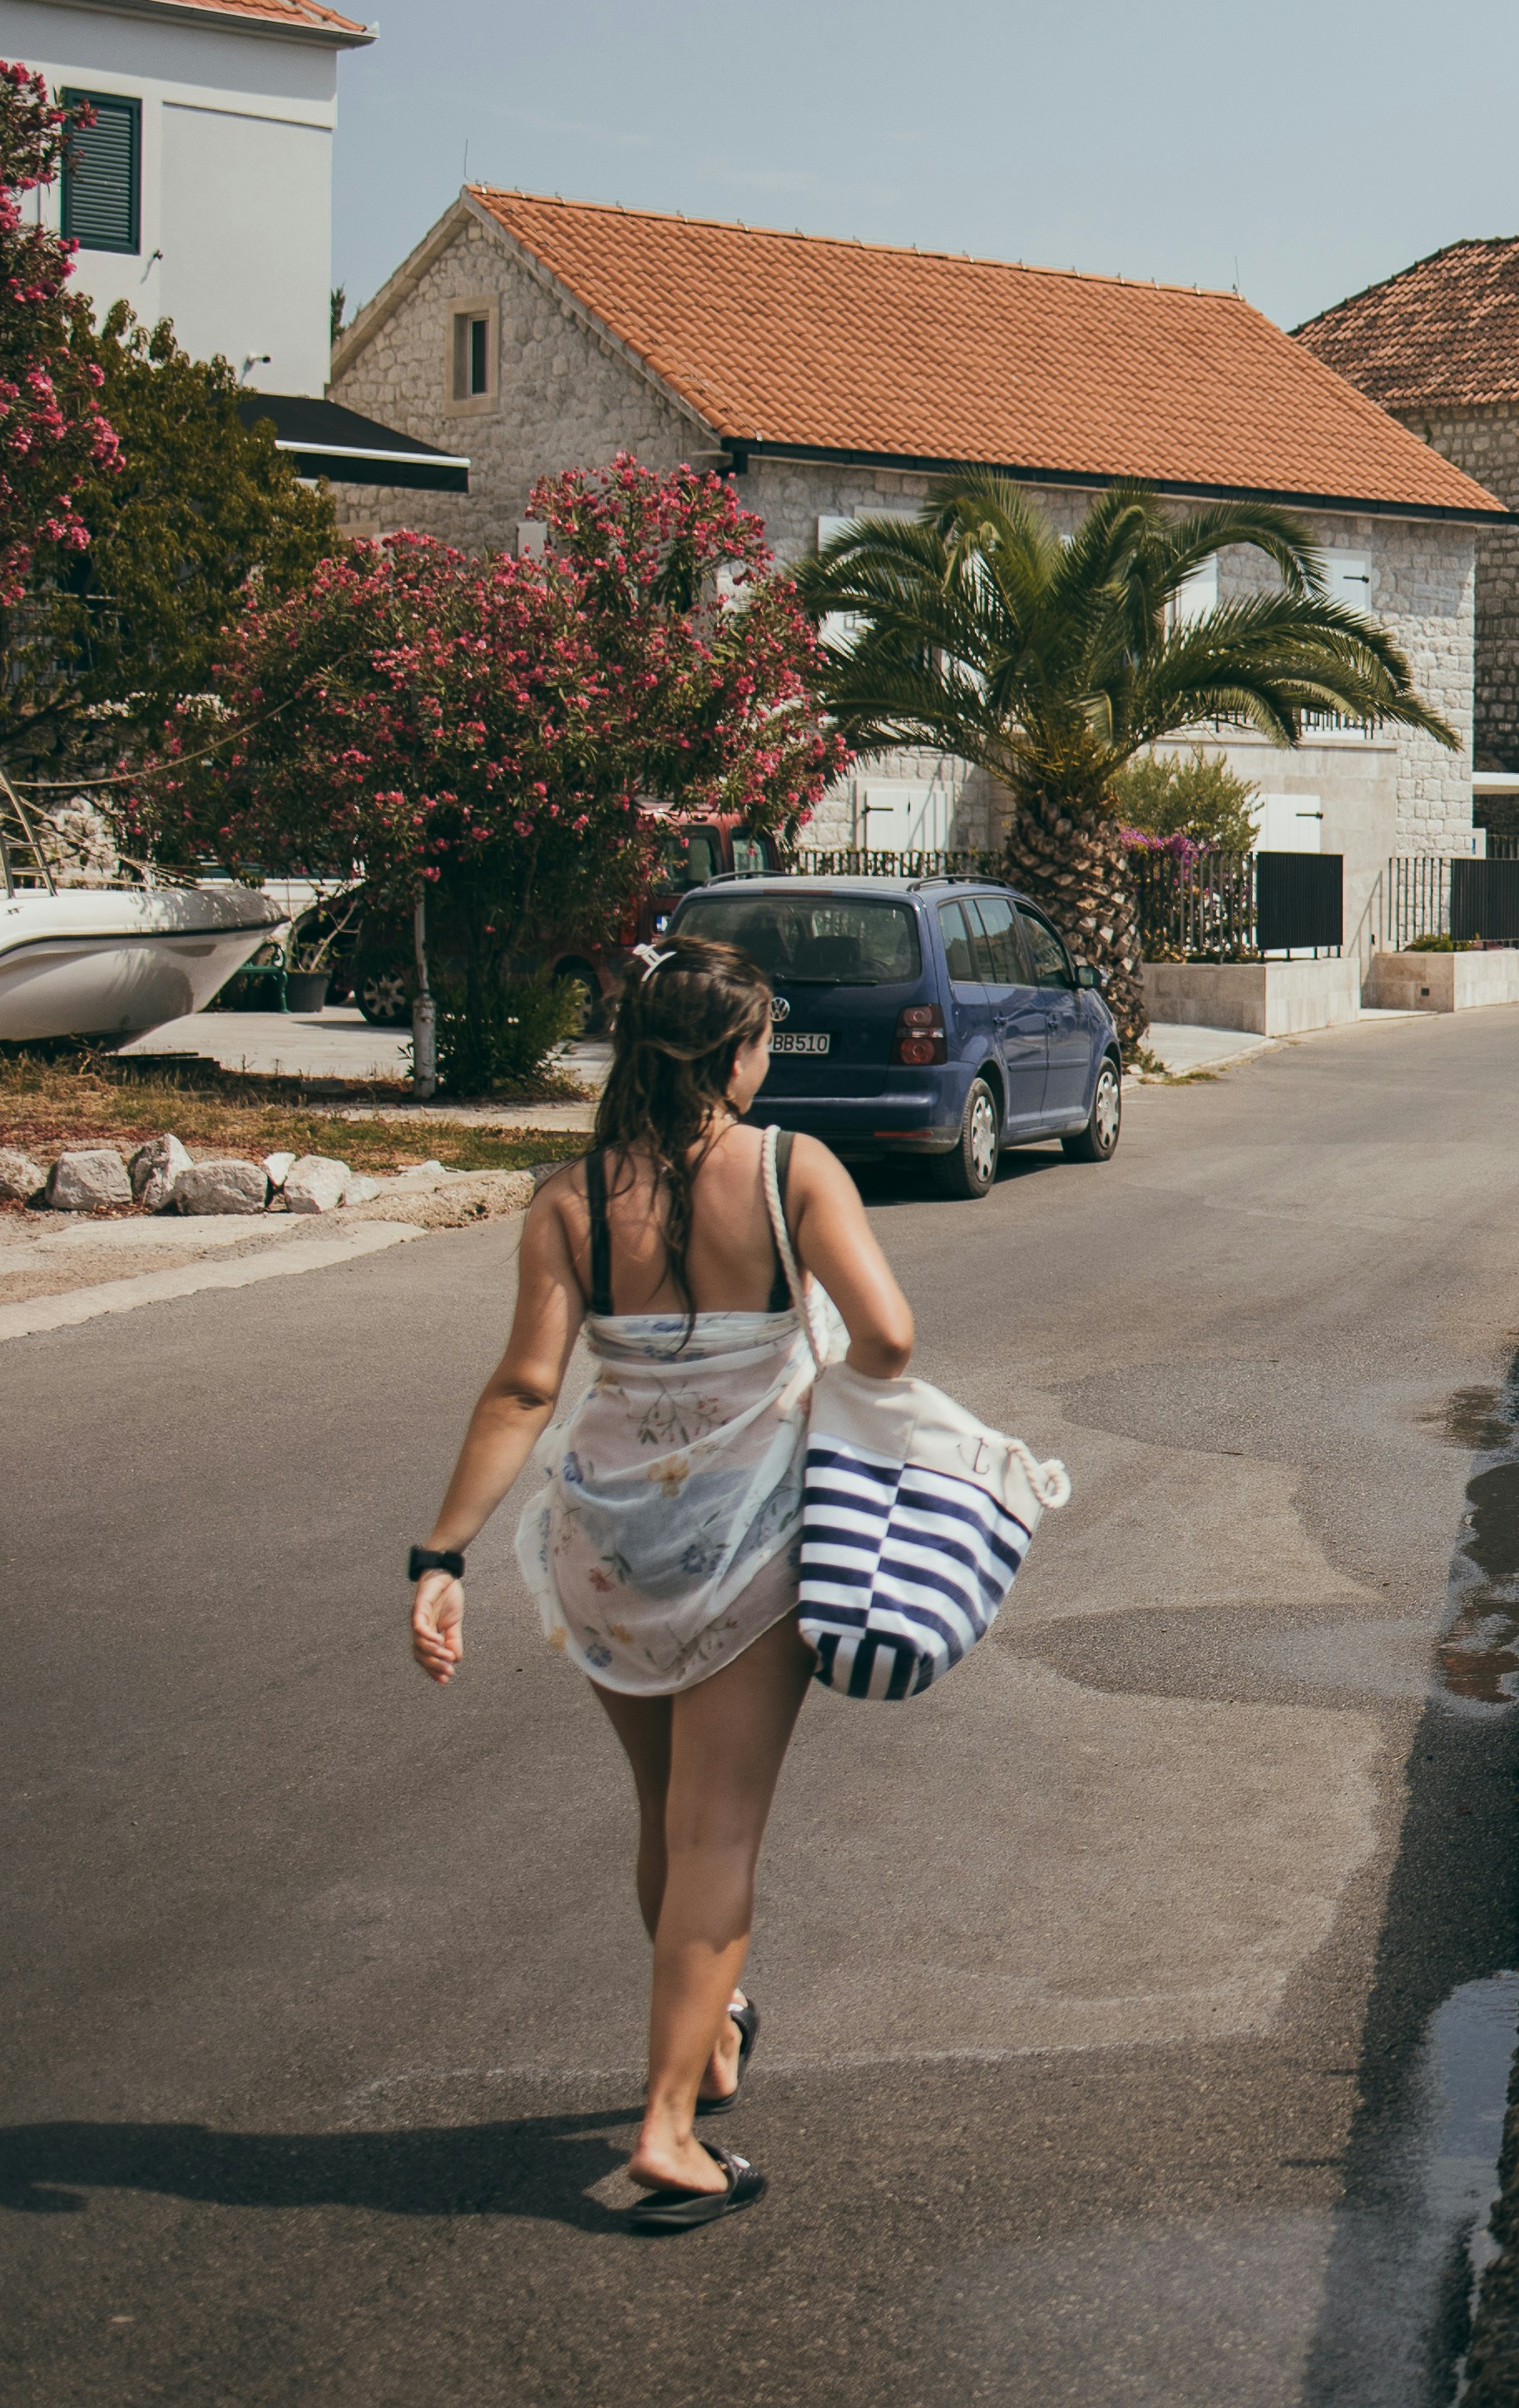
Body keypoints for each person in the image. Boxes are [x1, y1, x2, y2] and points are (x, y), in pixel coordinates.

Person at [403, 938, 918, 2232]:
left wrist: (442, 1551)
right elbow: (893, 1335)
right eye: (762, 1043)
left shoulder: (568, 1199)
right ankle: (669, 2133)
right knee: (719, 1834)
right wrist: (816, 1376)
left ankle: (714, 2041)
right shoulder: (792, 1168)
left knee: (664, 1813)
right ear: (738, 1055)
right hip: (748, 1547)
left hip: (605, 1547)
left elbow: (525, 1388)